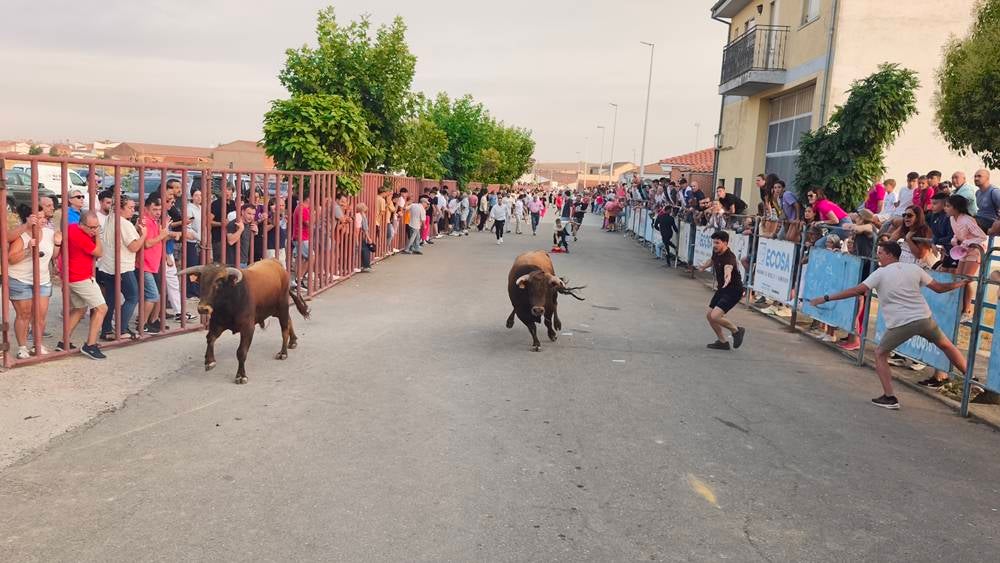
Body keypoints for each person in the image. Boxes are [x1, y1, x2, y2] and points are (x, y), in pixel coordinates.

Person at [809, 241, 967, 409]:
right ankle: (971, 379)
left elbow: (857, 290)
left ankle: (890, 397)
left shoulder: (880, 273)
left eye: (881, 253)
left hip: (902, 323)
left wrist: (825, 298)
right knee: (947, 346)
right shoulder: (914, 269)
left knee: (880, 353)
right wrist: (960, 283)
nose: (878, 256)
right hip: (924, 319)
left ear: (891, 254)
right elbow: (940, 288)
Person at [7, 198, 59, 359]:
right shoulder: (20, 235)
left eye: (44, 217)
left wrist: (57, 244)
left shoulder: (50, 233)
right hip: (20, 279)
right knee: (24, 314)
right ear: (29, 218)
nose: (43, 220)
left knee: (40, 316)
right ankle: (22, 347)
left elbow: (54, 256)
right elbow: (11, 259)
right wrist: (29, 250)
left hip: (42, 280)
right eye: (39, 217)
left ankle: (37, 344)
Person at [96, 196, 145, 341]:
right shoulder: (124, 223)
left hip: (107, 266)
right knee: (132, 296)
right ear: (121, 208)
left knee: (111, 299)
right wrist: (144, 235)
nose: (133, 210)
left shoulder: (110, 219)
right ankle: (121, 328)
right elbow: (134, 246)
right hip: (122, 267)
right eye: (130, 207)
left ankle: (106, 330)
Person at [61, 211, 108, 359]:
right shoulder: (78, 235)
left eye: (97, 227)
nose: (94, 230)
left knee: (80, 309)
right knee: (101, 308)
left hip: (74, 275)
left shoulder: (73, 228)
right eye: (91, 228)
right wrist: (98, 236)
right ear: (81, 224)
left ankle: (64, 342)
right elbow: (99, 253)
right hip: (79, 277)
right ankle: (90, 345)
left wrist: (93, 233)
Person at [697, 231, 746, 351]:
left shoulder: (730, 257)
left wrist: (727, 276)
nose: (715, 245)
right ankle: (722, 342)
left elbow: (728, 268)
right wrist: (704, 266)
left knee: (715, 316)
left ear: (725, 243)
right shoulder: (717, 252)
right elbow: (712, 260)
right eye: (714, 242)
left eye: (717, 243)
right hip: (722, 289)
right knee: (709, 316)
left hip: (734, 290)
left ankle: (736, 330)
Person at [946, 194, 987, 321]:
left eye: (948, 206)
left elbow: (982, 236)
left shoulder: (968, 220)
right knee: (959, 279)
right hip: (963, 251)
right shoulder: (953, 219)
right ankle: (959, 308)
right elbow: (957, 233)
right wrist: (954, 239)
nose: (945, 208)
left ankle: (967, 310)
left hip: (975, 251)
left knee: (967, 280)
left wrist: (968, 242)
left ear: (956, 208)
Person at [140, 194, 177, 334]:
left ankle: (152, 321)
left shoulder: (155, 221)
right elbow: (148, 243)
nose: (157, 212)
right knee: (152, 296)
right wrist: (163, 234)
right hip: (145, 265)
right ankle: (142, 325)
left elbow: (160, 238)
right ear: (146, 209)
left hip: (153, 264)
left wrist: (166, 232)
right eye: (154, 209)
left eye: (159, 209)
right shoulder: (146, 222)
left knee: (158, 294)